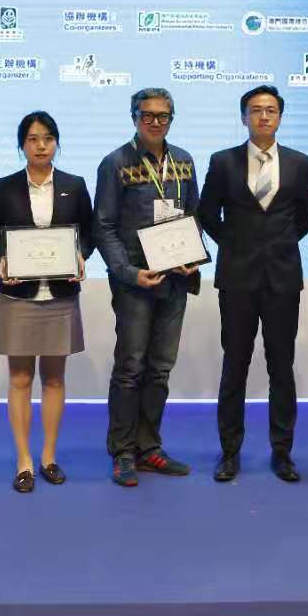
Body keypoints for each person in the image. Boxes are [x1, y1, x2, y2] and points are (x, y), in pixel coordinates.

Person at [199, 85, 308, 484]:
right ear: (243, 117)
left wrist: (276, 245)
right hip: (237, 278)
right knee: (235, 365)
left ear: (280, 116)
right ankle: (229, 452)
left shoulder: (299, 162)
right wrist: (235, 244)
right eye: (256, 110)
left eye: (271, 110)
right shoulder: (223, 161)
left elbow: (304, 218)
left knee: (282, 366)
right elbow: (207, 213)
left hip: (283, 278)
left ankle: (283, 452)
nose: (263, 116)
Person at [93, 87, 203, 487]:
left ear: (172, 119)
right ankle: (123, 451)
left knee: (159, 369)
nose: (155, 122)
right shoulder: (115, 163)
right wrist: (127, 272)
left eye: (163, 116)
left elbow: (193, 216)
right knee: (131, 368)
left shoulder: (184, 162)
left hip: (175, 281)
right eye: (147, 115)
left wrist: (194, 257)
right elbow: (103, 226)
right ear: (134, 117)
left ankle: (149, 446)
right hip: (135, 284)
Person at [0, 111, 95, 493]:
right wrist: (2, 260)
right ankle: (24, 461)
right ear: (22, 145)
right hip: (19, 294)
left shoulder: (74, 185)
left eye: (47, 138)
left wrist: (80, 255)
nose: (41, 145)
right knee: (19, 378)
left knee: (54, 378)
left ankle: (48, 457)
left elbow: (89, 233)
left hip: (60, 293)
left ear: (56, 143)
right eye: (32, 139)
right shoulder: (4, 187)